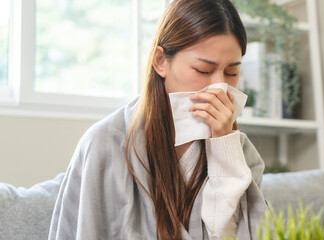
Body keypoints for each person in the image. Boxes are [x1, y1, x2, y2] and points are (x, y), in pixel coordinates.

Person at [48, 0, 269, 239]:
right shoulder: (104, 144)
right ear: (161, 61)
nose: (220, 88)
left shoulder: (242, 153)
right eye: (203, 70)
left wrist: (224, 149)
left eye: (232, 72)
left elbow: (230, 235)